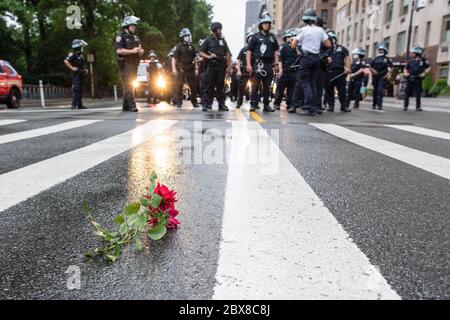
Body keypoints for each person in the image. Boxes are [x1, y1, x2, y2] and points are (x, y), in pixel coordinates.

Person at [291, 9, 331, 116]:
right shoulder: (320, 30)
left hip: (306, 58)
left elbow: (293, 45)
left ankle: (307, 107)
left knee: (305, 82)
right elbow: (328, 45)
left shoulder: (303, 30)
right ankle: (313, 107)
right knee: (313, 82)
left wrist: (296, 41)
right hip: (316, 59)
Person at [246, 15, 280, 112]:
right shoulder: (254, 37)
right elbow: (249, 51)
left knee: (267, 86)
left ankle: (266, 105)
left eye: (268, 24)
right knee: (255, 86)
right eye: (265, 24)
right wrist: (249, 64)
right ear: (261, 25)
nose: (267, 25)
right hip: (258, 64)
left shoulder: (272, 37)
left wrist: (276, 64)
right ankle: (253, 104)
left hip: (269, 65)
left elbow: (276, 51)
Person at [200, 22, 232, 112]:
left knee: (221, 86)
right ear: (214, 30)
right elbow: (201, 52)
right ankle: (205, 104)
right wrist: (209, 57)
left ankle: (221, 105)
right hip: (211, 66)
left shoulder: (223, 40)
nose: (220, 31)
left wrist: (229, 67)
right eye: (219, 29)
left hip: (221, 66)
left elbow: (228, 53)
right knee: (209, 86)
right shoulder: (208, 40)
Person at [116, 15, 144, 112]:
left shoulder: (135, 37)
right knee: (128, 84)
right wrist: (132, 51)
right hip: (125, 64)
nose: (134, 27)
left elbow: (140, 49)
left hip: (134, 64)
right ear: (127, 26)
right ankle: (132, 105)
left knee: (129, 85)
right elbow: (119, 51)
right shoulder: (121, 37)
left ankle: (125, 106)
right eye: (133, 25)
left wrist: (140, 51)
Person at [324, 31, 351, 113]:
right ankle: (330, 106)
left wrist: (347, 67)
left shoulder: (342, 48)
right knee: (329, 90)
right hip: (329, 72)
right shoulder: (325, 50)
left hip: (340, 72)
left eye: (332, 39)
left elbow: (347, 58)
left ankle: (343, 106)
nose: (331, 40)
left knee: (342, 90)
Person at [173, 28, 199, 109]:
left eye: (188, 36)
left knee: (193, 86)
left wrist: (196, 68)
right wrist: (174, 69)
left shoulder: (192, 47)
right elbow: (174, 58)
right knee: (179, 86)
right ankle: (179, 102)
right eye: (186, 36)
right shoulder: (179, 47)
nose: (188, 37)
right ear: (183, 37)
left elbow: (195, 58)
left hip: (190, 69)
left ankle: (194, 102)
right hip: (181, 69)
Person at [273, 29, 298, 111]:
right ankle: (277, 103)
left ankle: (290, 104)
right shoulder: (283, 46)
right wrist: (280, 70)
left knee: (292, 90)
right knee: (280, 89)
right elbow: (280, 58)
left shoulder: (298, 48)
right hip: (284, 71)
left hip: (294, 72)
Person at [404, 46, 431, 112]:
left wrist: (424, 73)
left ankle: (418, 107)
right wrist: (406, 73)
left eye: (413, 53)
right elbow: (405, 68)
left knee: (418, 93)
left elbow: (429, 67)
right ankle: (405, 106)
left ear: (417, 53)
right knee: (407, 92)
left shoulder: (423, 60)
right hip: (410, 77)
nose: (411, 54)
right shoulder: (410, 60)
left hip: (418, 78)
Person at [64, 39, 89, 110]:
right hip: (76, 75)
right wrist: (72, 68)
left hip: (80, 74)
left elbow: (80, 65)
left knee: (80, 89)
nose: (82, 48)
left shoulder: (80, 55)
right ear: (77, 47)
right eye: (81, 46)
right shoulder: (73, 54)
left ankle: (80, 105)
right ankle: (73, 105)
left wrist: (85, 70)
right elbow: (66, 61)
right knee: (76, 89)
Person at [370, 43, 393, 110]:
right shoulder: (375, 58)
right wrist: (373, 70)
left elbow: (391, 68)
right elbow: (370, 66)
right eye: (379, 49)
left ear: (384, 50)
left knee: (380, 90)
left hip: (383, 76)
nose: (380, 51)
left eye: (382, 49)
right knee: (375, 91)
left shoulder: (387, 59)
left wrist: (388, 75)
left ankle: (379, 105)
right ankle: (374, 104)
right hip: (375, 76)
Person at [236, 33, 253, 109]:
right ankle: (239, 103)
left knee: (255, 88)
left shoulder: (256, 50)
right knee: (241, 88)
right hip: (244, 72)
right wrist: (238, 71)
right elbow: (238, 60)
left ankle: (254, 104)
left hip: (254, 72)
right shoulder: (243, 49)